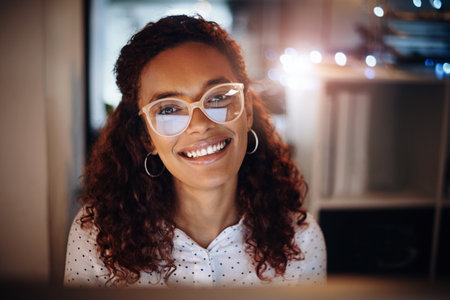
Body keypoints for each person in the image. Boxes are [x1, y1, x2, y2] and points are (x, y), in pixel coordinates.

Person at [64, 15, 326, 288]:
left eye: (217, 97)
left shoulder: (301, 240)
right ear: (146, 137)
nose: (200, 125)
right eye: (168, 109)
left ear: (247, 111)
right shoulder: (96, 239)